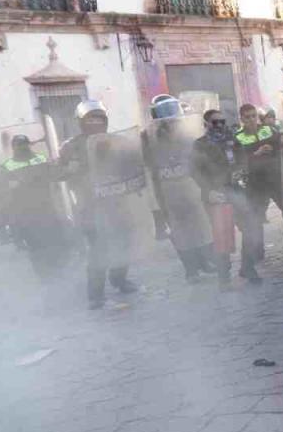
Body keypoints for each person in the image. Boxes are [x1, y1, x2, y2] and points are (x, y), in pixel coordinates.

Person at [59, 100, 139, 309]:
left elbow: (132, 166)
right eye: (90, 119)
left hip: (117, 201)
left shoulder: (118, 141)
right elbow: (58, 173)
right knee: (98, 249)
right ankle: (95, 294)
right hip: (90, 205)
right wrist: (70, 169)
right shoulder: (71, 146)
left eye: (99, 118)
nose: (95, 122)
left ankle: (119, 278)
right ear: (81, 122)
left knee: (124, 240)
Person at [143, 95, 216, 283]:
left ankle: (204, 262)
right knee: (179, 230)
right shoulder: (148, 137)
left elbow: (200, 154)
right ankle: (191, 270)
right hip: (167, 187)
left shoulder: (187, 132)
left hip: (190, 183)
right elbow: (148, 164)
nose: (171, 125)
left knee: (200, 225)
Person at [0, 135, 70, 281]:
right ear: (14, 147)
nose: (23, 147)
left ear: (29, 144)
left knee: (55, 241)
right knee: (36, 247)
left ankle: (60, 272)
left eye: (25, 144)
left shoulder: (41, 158)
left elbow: (56, 174)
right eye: (19, 145)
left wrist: (65, 168)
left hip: (47, 209)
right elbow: (4, 192)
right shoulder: (7, 165)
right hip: (25, 214)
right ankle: (44, 276)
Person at [234, 103, 283, 266]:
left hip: (274, 179)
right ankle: (258, 252)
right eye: (248, 117)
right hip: (255, 183)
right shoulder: (238, 137)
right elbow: (239, 161)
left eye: (254, 116)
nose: (252, 120)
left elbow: (281, 144)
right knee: (255, 219)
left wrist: (282, 142)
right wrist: (256, 154)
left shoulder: (268, 129)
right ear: (242, 119)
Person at [190, 110, 241, 286]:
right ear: (206, 124)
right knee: (222, 236)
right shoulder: (200, 145)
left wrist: (241, 172)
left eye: (222, 122)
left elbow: (243, 158)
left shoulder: (232, 140)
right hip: (215, 195)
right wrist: (208, 190)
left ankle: (249, 266)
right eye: (214, 122)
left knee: (251, 226)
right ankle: (224, 277)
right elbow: (195, 171)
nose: (219, 125)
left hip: (236, 191)